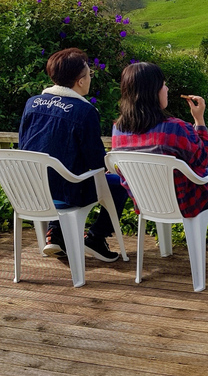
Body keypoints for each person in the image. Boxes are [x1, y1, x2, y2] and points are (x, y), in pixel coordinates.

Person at [111, 62, 208, 252]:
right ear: (153, 92)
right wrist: (199, 120)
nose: (167, 89)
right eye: (163, 85)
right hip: (187, 202)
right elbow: (202, 162)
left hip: (146, 203)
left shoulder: (118, 130)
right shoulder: (175, 127)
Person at [18, 47, 127, 262]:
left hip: (29, 191)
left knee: (59, 174)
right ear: (80, 81)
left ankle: (55, 232)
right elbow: (95, 161)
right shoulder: (85, 111)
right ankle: (95, 237)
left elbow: (24, 145)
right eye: (89, 74)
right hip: (67, 193)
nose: (90, 79)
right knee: (119, 184)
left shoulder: (31, 104)